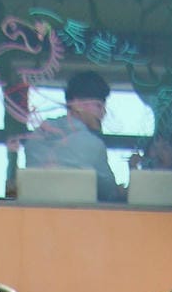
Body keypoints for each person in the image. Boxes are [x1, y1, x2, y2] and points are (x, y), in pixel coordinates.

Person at [18, 70, 126, 203]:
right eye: (98, 105)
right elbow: (108, 192)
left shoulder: (35, 137)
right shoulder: (93, 144)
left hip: (33, 218)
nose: (103, 114)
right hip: (80, 220)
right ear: (76, 104)